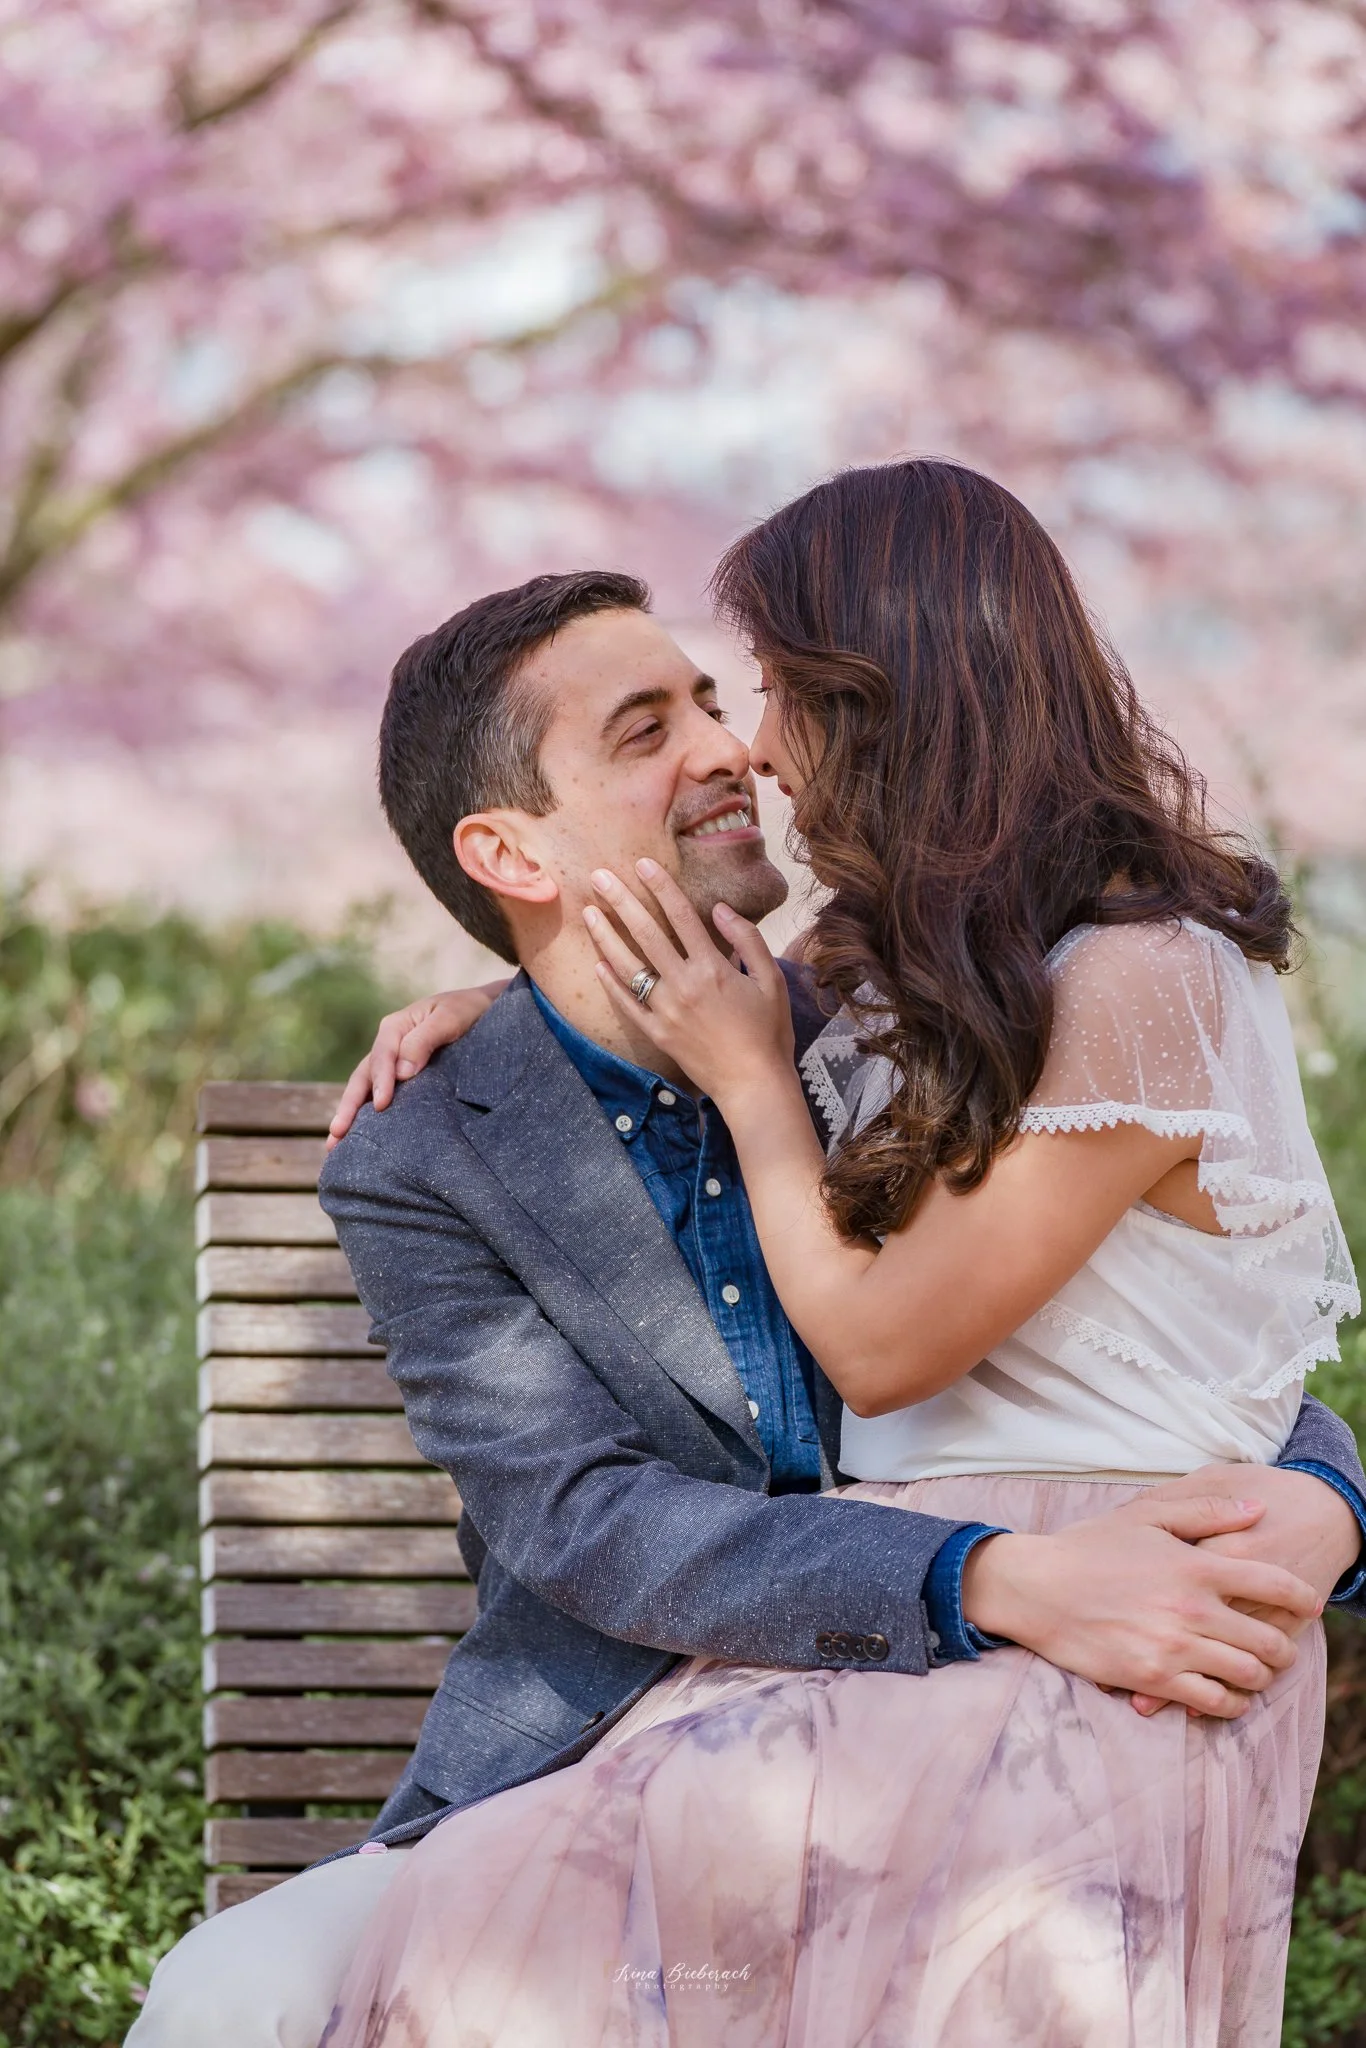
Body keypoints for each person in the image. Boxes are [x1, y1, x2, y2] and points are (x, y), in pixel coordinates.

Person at [128, 546, 1364, 2048]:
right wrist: (983, 1577)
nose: (733, 749)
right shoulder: (428, 1148)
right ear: (512, 853)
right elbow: (585, 1516)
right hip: (602, 1749)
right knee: (221, 2001)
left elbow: (1147, 1333)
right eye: (646, 730)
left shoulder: (894, 1020)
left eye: (715, 701)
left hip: (959, 1731)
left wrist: (1331, 1498)